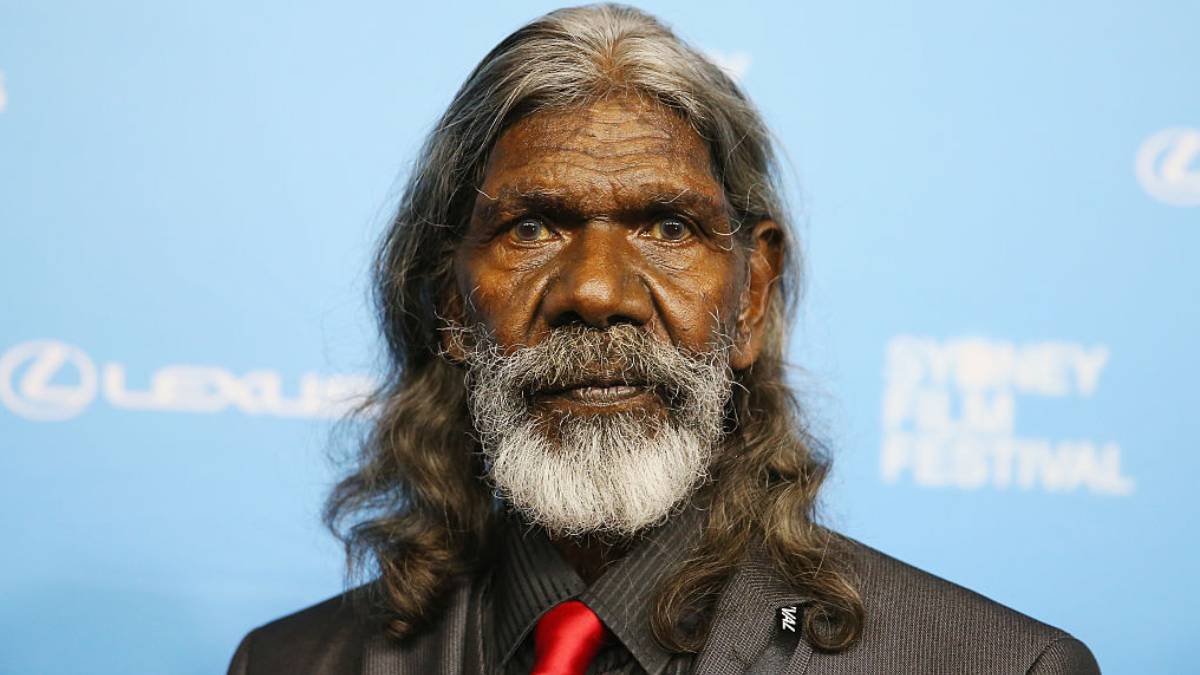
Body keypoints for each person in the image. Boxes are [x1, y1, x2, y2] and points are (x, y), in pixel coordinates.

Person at [227, 4, 1100, 674]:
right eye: (531, 227)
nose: (597, 292)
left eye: (667, 227)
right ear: (447, 302)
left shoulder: (987, 665)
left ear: (752, 294)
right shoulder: (291, 664)